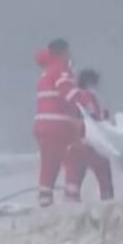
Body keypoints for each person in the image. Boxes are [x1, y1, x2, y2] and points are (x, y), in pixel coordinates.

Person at [33, 38, 90, 207]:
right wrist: (87, 103)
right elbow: (69, 92)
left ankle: (45, 202)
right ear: (63, 52)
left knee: (49, 163)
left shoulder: (46, 70)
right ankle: (71, 200)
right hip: (59, 125)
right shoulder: (61, 69)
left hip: (44, 125)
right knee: (76, 158)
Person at [63, 69, 114, 202]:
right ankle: (107, 206)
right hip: (91, 144)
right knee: (105, 179)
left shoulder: (71, 96)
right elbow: (94, 117)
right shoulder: (88, 96)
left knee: (72, 183)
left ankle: (69, 213)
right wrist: (105, 116)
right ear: (90, 82)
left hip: (73, 145)